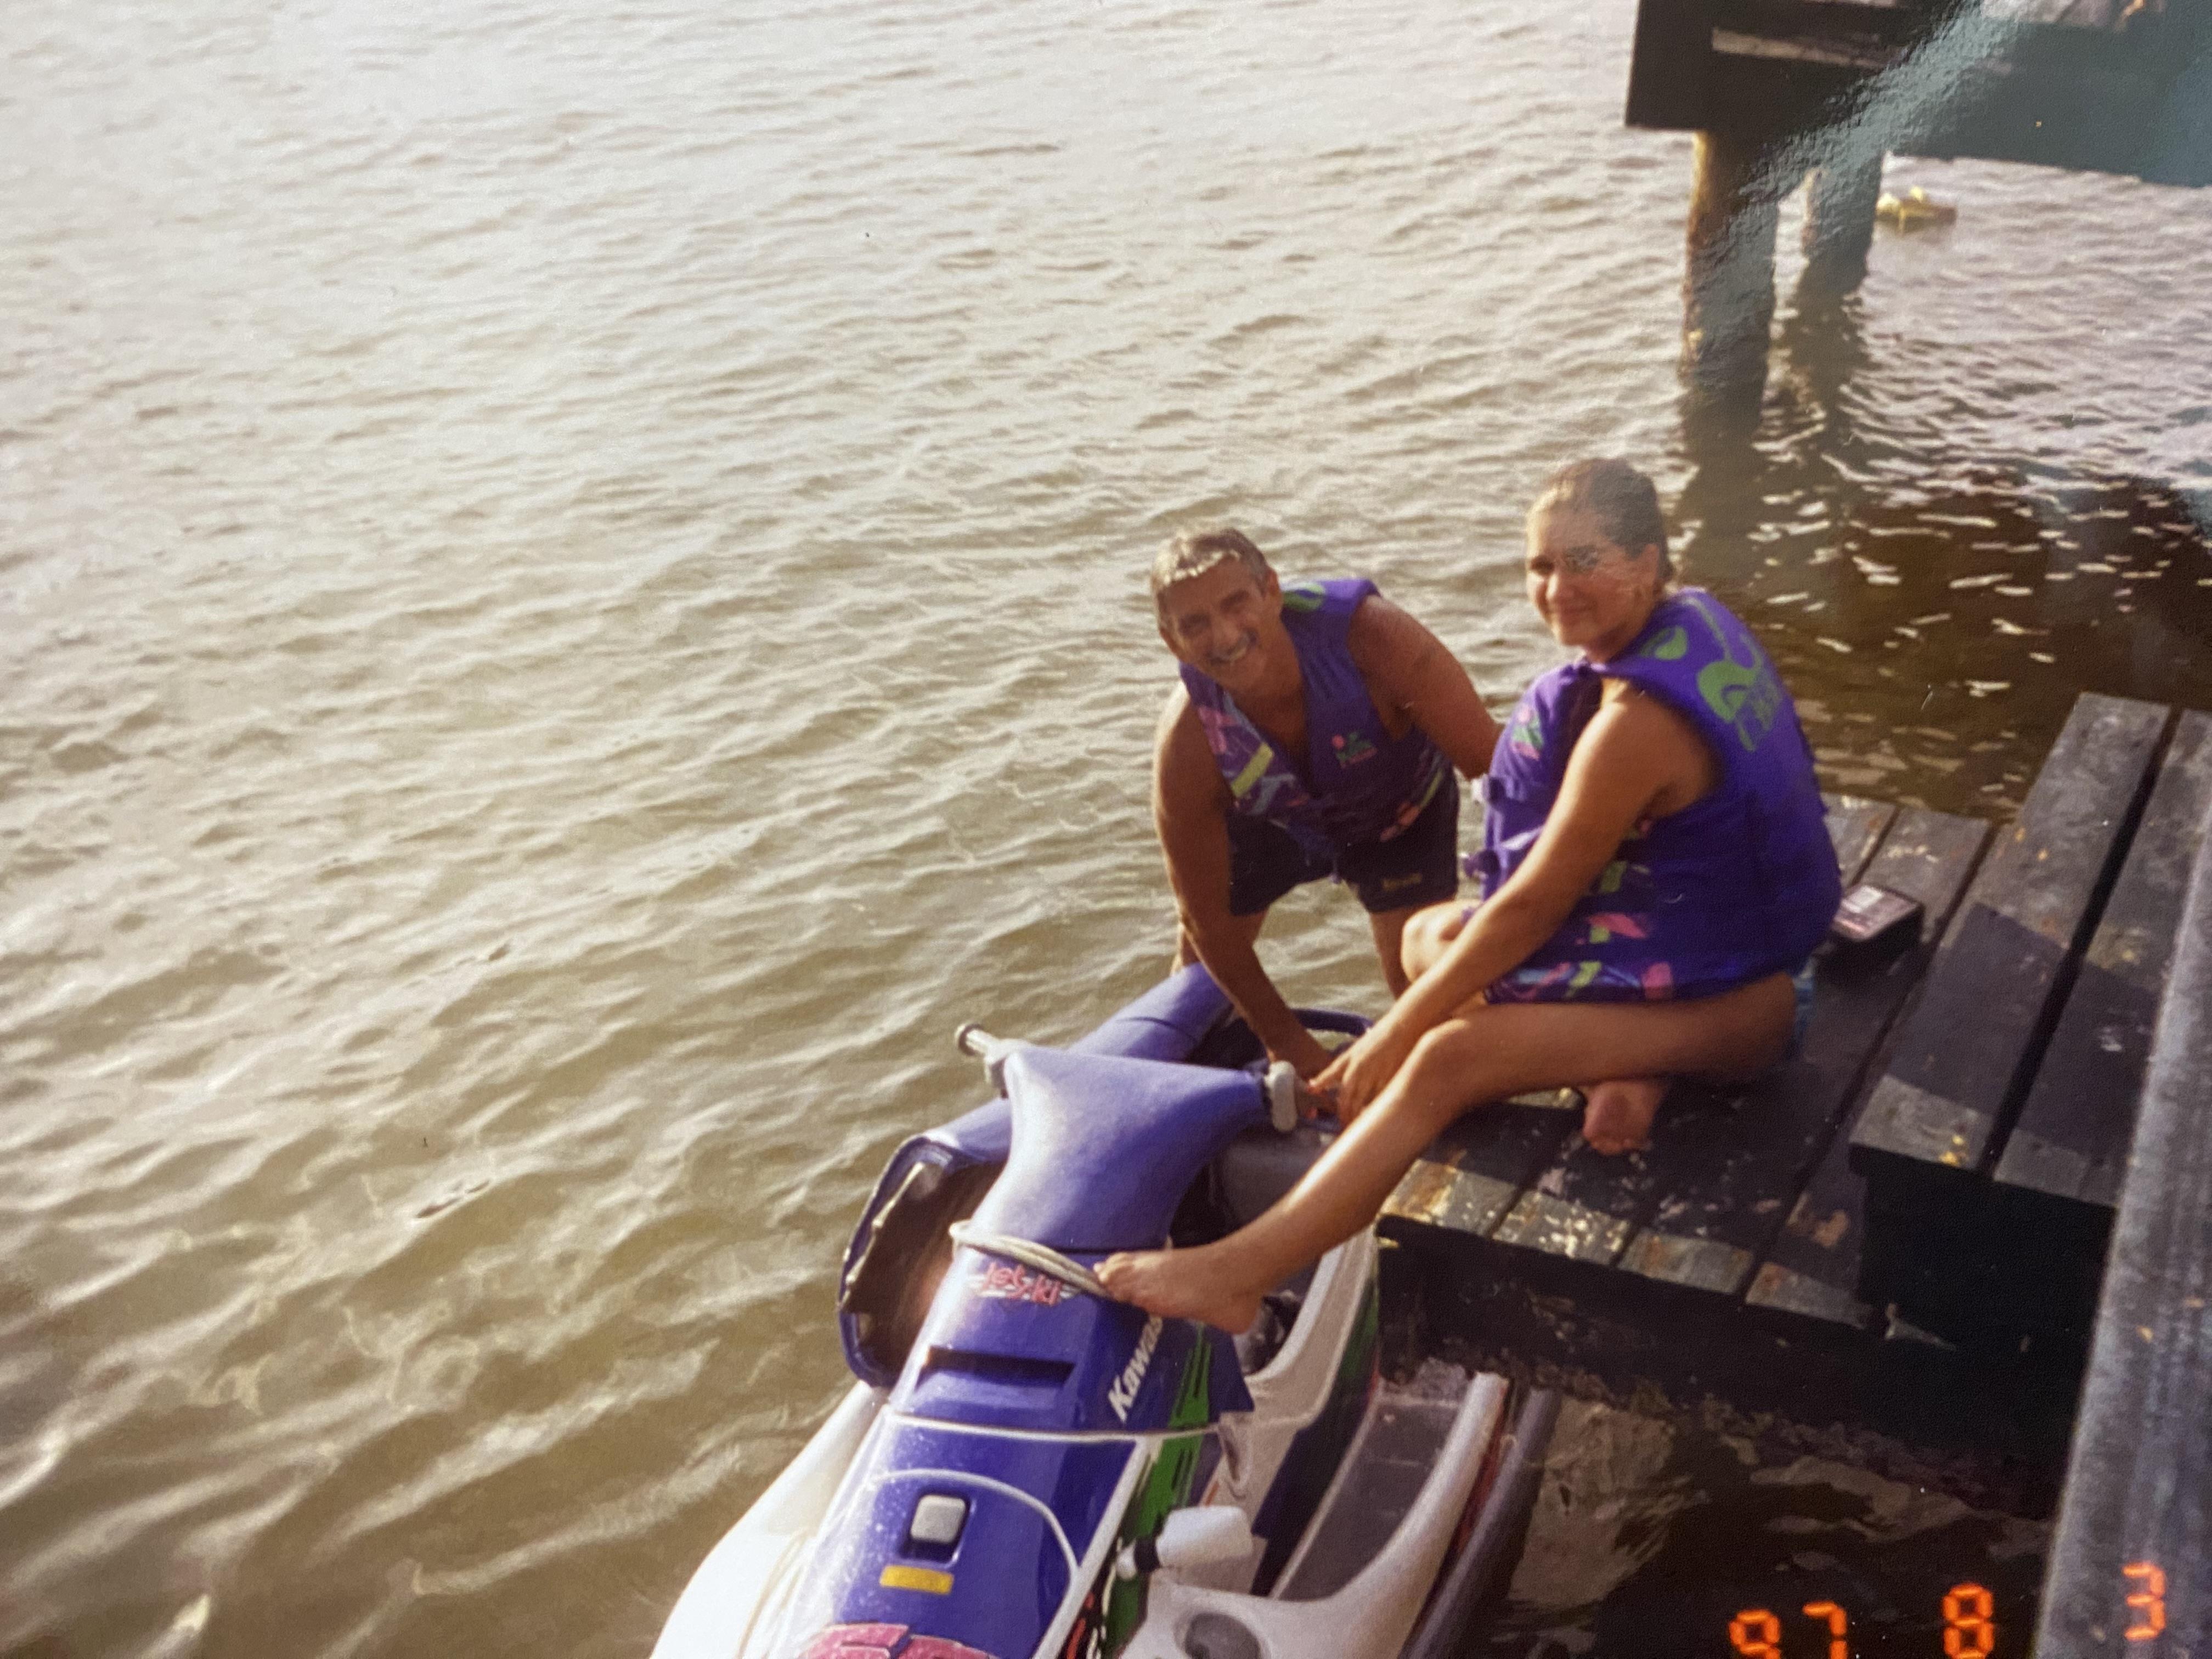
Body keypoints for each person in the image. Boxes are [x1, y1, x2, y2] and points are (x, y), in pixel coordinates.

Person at [1105, 460, 1842, 1333]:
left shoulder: (1635, 727)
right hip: (1691, 952)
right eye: (1540, 566)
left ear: (1647, 561)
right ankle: (1627, 1064)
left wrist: (1392, 1038)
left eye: (1585, 560)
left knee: (1448, 1054)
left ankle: (1241, 1268)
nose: (1557, 589)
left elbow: (1528, 909)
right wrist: (1336, 1035)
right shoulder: (1695, 620)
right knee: (1426, 939)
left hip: (1754, 1000)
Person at [1150, 527, 1501, 1081]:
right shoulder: (1188, 744)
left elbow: (1495, 765)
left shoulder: (1372, 637)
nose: (1223, 636)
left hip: (1397, 811)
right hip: (1272, 822)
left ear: (1272, 591)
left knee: (1422, 995)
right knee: (1196, 981)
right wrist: (1286, 1041)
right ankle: (1181, 1094)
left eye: (1236, 604)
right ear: (1172, 642)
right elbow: (1206, 921)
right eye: (1194, 625)